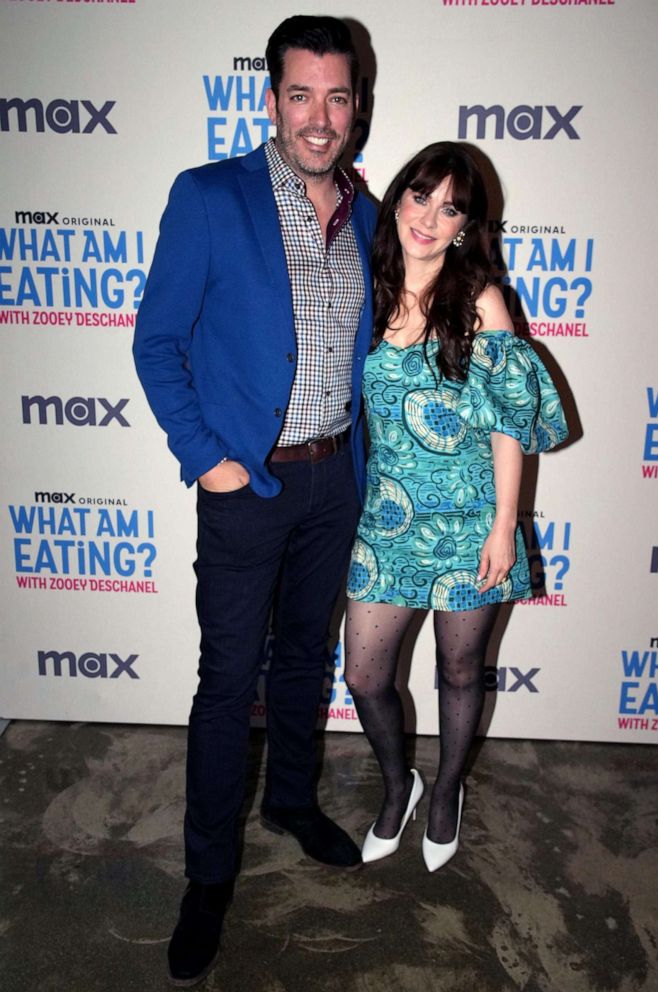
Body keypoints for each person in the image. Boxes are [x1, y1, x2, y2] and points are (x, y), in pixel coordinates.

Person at [133, 15, 377, 986]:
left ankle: (290, 799)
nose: (320, 118)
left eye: (338, 96)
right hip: (247, 479)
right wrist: (209, 459)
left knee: (305, 654)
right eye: (301, 94)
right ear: (270, 99)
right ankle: (208, 873)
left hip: (332, 477)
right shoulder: (208, 198)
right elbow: (156, 342)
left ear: (356, 105)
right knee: (228, 682)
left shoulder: (364, 211)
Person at [344, 142, 568, 872]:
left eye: (451, 209)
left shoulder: (480, 300)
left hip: (474, 520)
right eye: (420, 197)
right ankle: (397, 784)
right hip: (388, 519)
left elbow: (508, 422)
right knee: (365, 677)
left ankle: (444, 793)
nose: (430, 218)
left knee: (460, 672)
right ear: (398, 199)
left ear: (467, 227)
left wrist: (505, 527)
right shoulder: (366, 289)